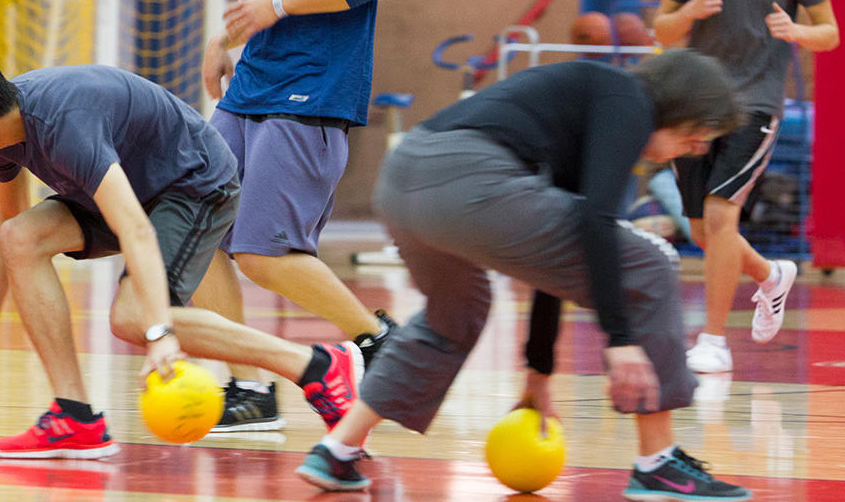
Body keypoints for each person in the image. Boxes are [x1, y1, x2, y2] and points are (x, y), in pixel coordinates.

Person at [293, 50, 755, 501]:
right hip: (469, 178)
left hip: (403, 179)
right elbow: (596, 223)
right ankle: (658, 462)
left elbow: (558, 258)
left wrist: (539, 371)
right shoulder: (629, 100)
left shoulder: (594, 104)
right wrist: (621, 339)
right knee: (649, 264)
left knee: (453, 316)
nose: (696, 150)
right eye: (695, 138)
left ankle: (337, 449)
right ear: (677, 107)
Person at [0, 41, 363, 459]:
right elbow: (8, 229)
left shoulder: (62, 123)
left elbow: (136, 230)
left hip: (194, 184)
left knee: (132, 318)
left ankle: (317, 365)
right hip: (131, 192)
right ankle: (74, 416)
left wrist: (160, 336)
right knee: (21, 236)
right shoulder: (0, 139)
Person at [197, 0, 399, 433]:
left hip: (312, 90)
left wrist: (275, 5)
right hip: (255, 84)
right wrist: (229, 37)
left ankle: (378, 342)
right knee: (193, 219)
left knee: (261, 251)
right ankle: (249, 389)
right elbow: (274, 5)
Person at [652, 0, 840, 374]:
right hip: (696, 104)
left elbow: (831, 33)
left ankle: (712, 339)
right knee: (700, 229)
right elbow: (662, 32)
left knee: (720, 215)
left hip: (754, 104)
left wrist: (796, 30)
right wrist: (690, 9)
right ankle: (769, 275)